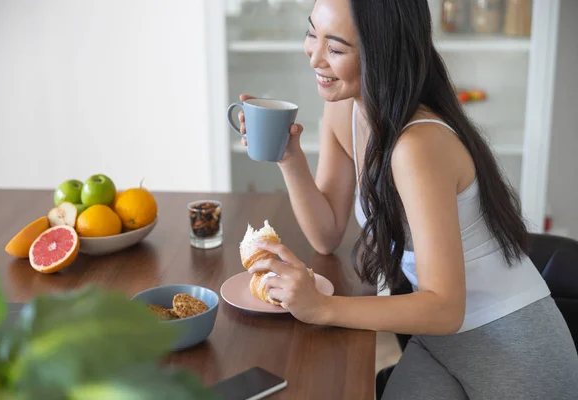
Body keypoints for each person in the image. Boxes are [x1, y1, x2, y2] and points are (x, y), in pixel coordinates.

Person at [237, 0, 578, 399]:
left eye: (336, 48)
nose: (314, 56)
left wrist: (322, 308)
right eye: (312, 33)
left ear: (383, 53)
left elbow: (446, 306)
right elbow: (326, 232)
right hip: (440, 340)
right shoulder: (344, 111)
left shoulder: (417, 145)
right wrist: (288, 157)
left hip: (514, 352)